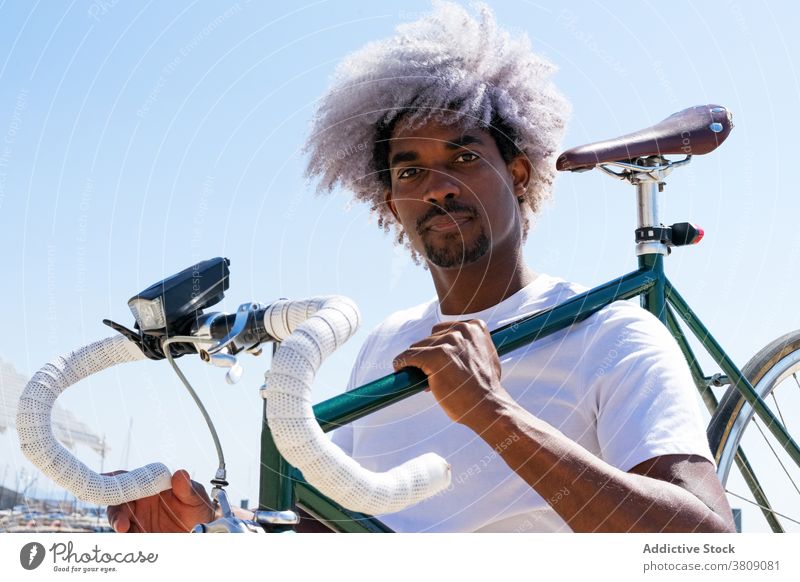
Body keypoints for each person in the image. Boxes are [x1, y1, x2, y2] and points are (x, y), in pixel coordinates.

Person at [107, 2, 735, 533]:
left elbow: (708, 548)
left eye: (462, 156)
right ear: (390, 203)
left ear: (517, 173)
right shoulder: (384, 345)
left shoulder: (611, 334)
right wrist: (210, 527)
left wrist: (493, 412)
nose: (435, 186)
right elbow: (345, 533)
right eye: (409, 171)